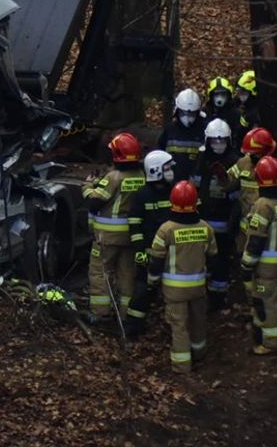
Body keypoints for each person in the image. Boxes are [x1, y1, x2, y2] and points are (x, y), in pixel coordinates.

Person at [147, 181, 217, 373]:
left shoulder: (166, 230)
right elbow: (212, 259)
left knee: (179, 325)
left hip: (174, 289)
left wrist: (152, 281)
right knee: (198, 320)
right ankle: (200, 353)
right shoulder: (206, 228)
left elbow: (156, 260)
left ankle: (182, 365)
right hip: (198, 287)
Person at [83, 132, 146, 322]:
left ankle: (100, 313)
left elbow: (95, 201)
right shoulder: (141, 175)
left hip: (107, 237)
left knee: (100, 272)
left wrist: (86, 185)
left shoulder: (113, 177)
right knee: (127, 275)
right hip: (130, 236)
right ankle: (126, 315)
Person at [240, 156, 277, 355]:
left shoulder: (263, 205)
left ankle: (273, 342)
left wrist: (247, 264)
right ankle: (261, 329)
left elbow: (256, 240)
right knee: (269, 296)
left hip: (265, 264)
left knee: (266, 301)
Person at [124, 150, 174, 336]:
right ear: (156, 170)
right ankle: (133, 327)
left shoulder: (175, 191)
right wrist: (139, 251)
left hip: (172, 253)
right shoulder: (141, 195)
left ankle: (170, 328)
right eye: (167, 167)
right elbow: (135, 225)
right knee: (142, 292)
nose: (170, 171)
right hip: (150, 253)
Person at [194, 118, 242, 310]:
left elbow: (239, 193)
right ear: (208, 141)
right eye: (215, 141)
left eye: (222, 141)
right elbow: (195, 185)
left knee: (222, 258)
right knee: (202, 257)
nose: (218, 145)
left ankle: (218, 297)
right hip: (203, 217)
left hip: (225, 218)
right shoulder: (202, 160)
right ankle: (201, 294)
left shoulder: (235, 160)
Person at [228, 127, 277, 254]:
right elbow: (229, 183)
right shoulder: (244, 163)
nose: (251, 156)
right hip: (245, 231)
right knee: (244, 260)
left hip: (271, 233)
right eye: (250, 153)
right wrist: (222, 177)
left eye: (255, 154)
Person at [157, 88, 206, 182]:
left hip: (195, 185)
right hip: (171, 183)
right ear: (177, 111)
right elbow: (160, 151)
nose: (187, 118)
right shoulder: (169, 130)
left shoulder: (203, 130)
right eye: (184, 113)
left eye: (192, 114)